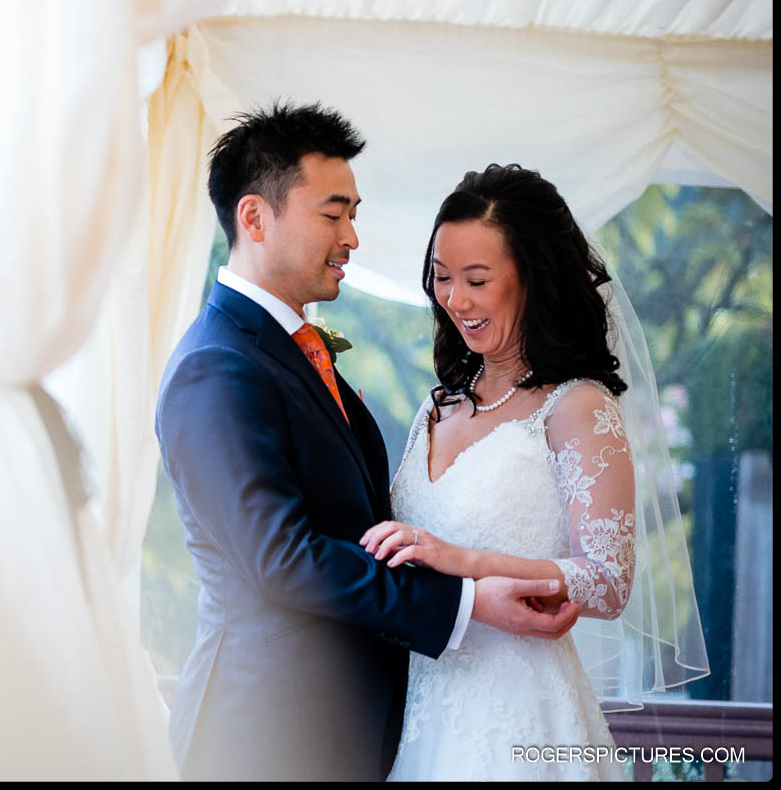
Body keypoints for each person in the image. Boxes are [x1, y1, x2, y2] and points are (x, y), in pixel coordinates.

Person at [154, 104, 580, 782]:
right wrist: (466, 605)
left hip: (346, 729)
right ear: (255, 218)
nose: (352, 236)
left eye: (354, 212)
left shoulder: (294, 350)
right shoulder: (217, 365)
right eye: (333, 213)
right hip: (267, 735)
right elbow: (282, 558)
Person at [366, 163, 639, 780]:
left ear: (531, 279)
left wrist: (467, 561)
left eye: (477, 280)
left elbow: (608, 583)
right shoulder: (437, 406)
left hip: (522, 717)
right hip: (421, 708)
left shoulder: (576, 406)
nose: (455, 300)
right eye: (441, 278)